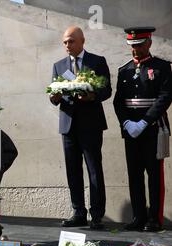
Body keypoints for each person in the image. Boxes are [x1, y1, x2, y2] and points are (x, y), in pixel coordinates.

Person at [49, 26, 112, 230]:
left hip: (91, 124)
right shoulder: (58, 66)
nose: (68, 45)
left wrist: (91, 95)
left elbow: (107, 90)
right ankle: (78, 212)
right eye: (65, 42)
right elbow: (53, 95)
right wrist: (54, 97)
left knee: (94, 169)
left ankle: (97, 215)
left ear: (82, 41)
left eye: (71, 41)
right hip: (68, 125)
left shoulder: (97, 61)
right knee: (72, 170)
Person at [113, 27, 172, 232]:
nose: (135, 50)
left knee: (154, 175)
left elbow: (165, 97)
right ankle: (138, 216)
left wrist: (145, 122)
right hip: (131, 130)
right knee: (134, 174)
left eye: (139, 45)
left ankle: (154, 218)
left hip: (153, 129)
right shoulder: (124, 70)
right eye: (132, 46)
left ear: (149, 43)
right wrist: (127, 123)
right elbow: (118, 101)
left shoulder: (162, 67)